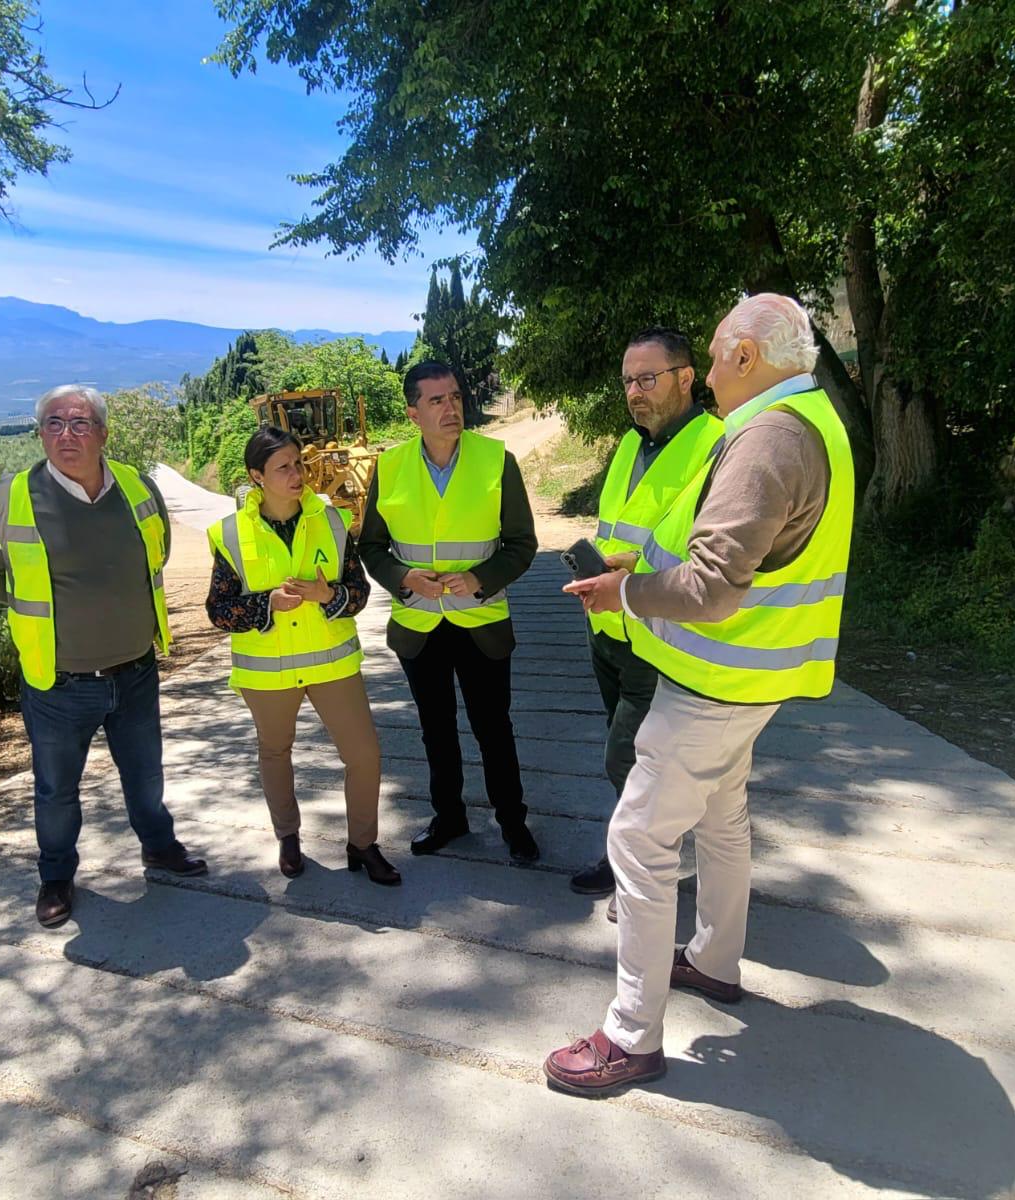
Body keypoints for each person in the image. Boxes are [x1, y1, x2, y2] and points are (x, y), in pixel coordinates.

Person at [544, 295, 856, 1095]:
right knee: (722, 817)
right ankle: (715, 961)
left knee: (638, 839)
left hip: (714, 679)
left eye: (715, 358)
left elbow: (714, 585)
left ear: (746, 356)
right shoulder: (811, 420)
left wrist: (625, 591)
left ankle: (631, 1037)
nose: (711, 376)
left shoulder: (768, 437)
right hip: (752, 675)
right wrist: (638, 574)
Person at [0, 384, 206, 930]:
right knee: (56, 790)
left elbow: (158, 551)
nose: (65, 434)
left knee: (145, 775)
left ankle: (159, 847)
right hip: (58, 683)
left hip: (135, 671)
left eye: (78, 423)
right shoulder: (9, 497)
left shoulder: (137, 487)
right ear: (39, 433)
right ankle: (55, 877)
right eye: (53, 423)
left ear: (102, 433)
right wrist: (48, 607)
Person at [357, 361, 541, 864]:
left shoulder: (497, 460)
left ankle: (512, 822)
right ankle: (449, 817)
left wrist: (481, 577)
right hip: (418, 625)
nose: (450, 408)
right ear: (413, 413)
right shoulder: (389, 467)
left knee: (493, 728)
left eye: (455, 397)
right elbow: (371, 547)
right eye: (436, 400)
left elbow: (522, 544)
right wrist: (403, 577)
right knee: (435, 730)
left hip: (481, 622)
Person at [204, 426, 400, 885]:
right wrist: (266, 604)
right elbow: (218, 610)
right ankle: (288, 838)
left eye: (298, 463)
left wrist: (328, 594)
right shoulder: (229, 534)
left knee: (365, 755)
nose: (297, 474)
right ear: (257, 476)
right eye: (283, 468)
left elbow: (359, 593)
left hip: (331, 663)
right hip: (267, 673)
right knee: (275, 753)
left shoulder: (333, 521)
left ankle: (363, 844)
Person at [569, 328, 724, 898]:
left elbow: (715, 553)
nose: (635, 391)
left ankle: (640, 873)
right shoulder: (630, 444)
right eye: (628, 381)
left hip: (660, 634)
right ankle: (634, 862)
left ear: (686, 378)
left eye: (648, 379)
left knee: (629, 760)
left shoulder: (717, 445)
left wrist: (633, 568)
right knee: (632, 760)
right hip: (608, 628)